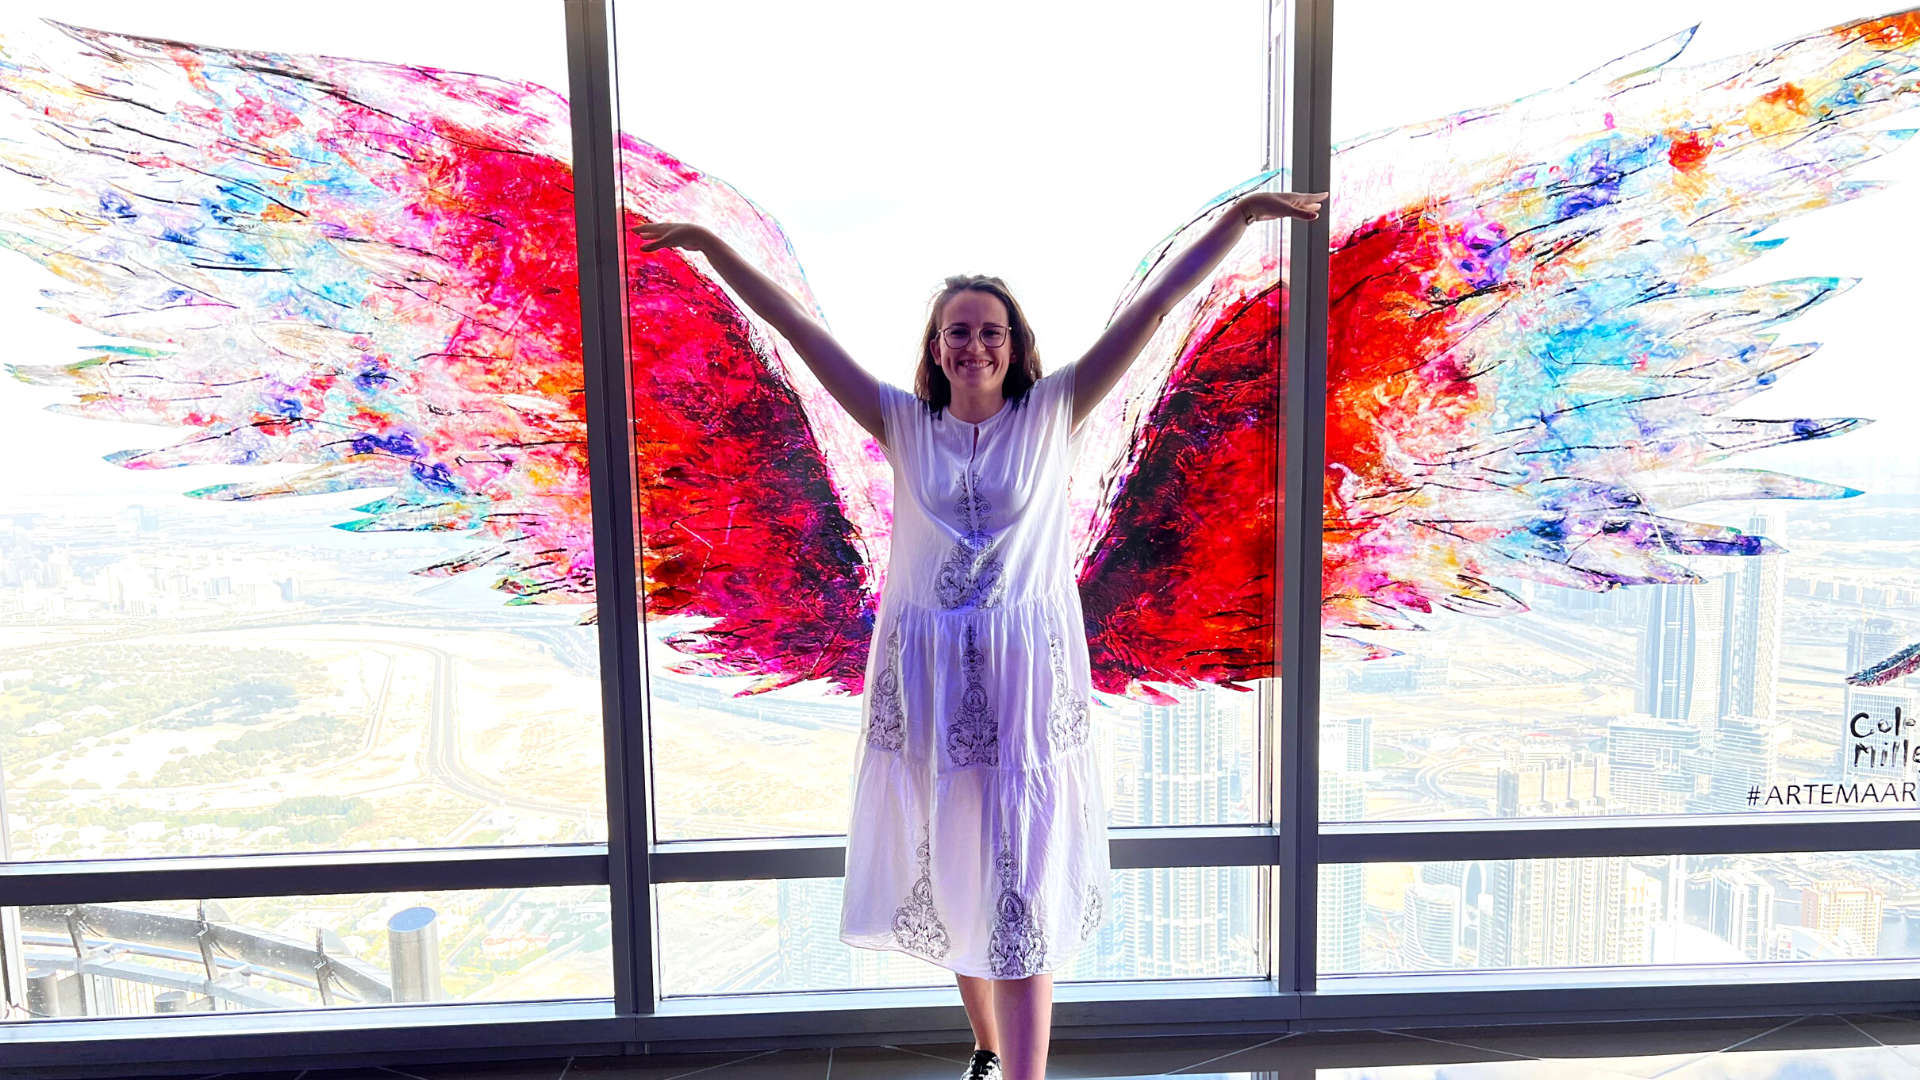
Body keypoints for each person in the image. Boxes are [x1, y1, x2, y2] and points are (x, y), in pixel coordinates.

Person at [639, 187, 1324, 1080]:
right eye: (958, 331)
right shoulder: (902, 421)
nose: (975, 345)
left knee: (1021, 880)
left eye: (991, 331)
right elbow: (796, 329)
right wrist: (707, 243)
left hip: (1024, 678)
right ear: (936, 347)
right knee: (954, 858)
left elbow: (1155, 308)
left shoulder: (1052, 412)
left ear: (1015, 343)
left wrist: (1236, 222)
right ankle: (990, 1051)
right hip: (926, 675)